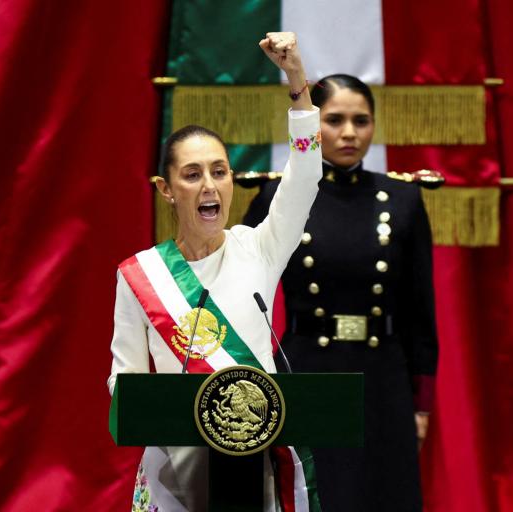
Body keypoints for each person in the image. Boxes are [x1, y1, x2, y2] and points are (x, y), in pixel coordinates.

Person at [108, 33, 323, 512]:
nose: (210, 185)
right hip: (175, 471)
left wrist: (297, 82)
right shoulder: (139, 274)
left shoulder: (260, 247)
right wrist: (152, 410)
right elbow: (123, 378)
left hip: (257, 465)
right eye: (192, 174)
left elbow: (306, 174)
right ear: (166, 189)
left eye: (220, 171)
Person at [244, 74, 439, 512]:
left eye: (361, 120)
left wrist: (421, 405)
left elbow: (419, 312)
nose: (349, 133)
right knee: (315, 494)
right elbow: (246, 299)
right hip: (306, 370)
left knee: (383, 496)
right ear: (313, 126)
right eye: (334, 119)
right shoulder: (278, 197)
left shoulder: (403, 199)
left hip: (383, 375)